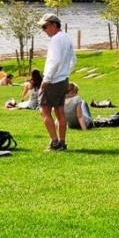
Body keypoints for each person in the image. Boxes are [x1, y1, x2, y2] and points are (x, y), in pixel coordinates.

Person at [38, 13, 77, 151]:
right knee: (60, 111)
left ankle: (54, 142)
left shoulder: (55, 39)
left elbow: (55, 60)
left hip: (53, 80)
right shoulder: (66, 37)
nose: (44, 30)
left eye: (45, 26)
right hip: (63, 80)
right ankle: (62, 142)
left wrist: (47, 78)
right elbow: (73, 59)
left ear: (54, 25)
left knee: (44, 111)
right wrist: (66, 72)